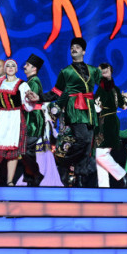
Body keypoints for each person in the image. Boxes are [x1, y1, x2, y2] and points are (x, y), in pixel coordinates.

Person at [41, 37, 101, 187]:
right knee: (83, 139)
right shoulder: (66, 71)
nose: (74, 49)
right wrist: (39, 97)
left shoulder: (93, 70)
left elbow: (105, 87)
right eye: (72, 47)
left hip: (89, 110)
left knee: (88, 145)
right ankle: (63, 158)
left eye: (77, 47)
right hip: (75, 108)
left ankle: (80, 177)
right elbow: (56, 92)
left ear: (84, 51)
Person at [94, 62, 127, 188]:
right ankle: (103, 187)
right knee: (100, 155)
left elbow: (97, 108)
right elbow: (124, 106)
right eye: (101, 69)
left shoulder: (104, 88)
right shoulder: (113, 88)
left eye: (106, 68)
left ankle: (122, 174)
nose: (103, 70)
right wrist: (126, 98)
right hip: (108, 121)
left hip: (107, 122)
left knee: (100, 154)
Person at [21, 54, 46, 186]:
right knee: (28, 150)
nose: (24, 67)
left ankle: (36, 174)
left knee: (25, 149)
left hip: (33, 119)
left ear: (34, 68)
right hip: (30, 118)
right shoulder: (30, 81)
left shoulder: (34, 82)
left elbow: (31, 101)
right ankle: (30, 177)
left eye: (28, 65)